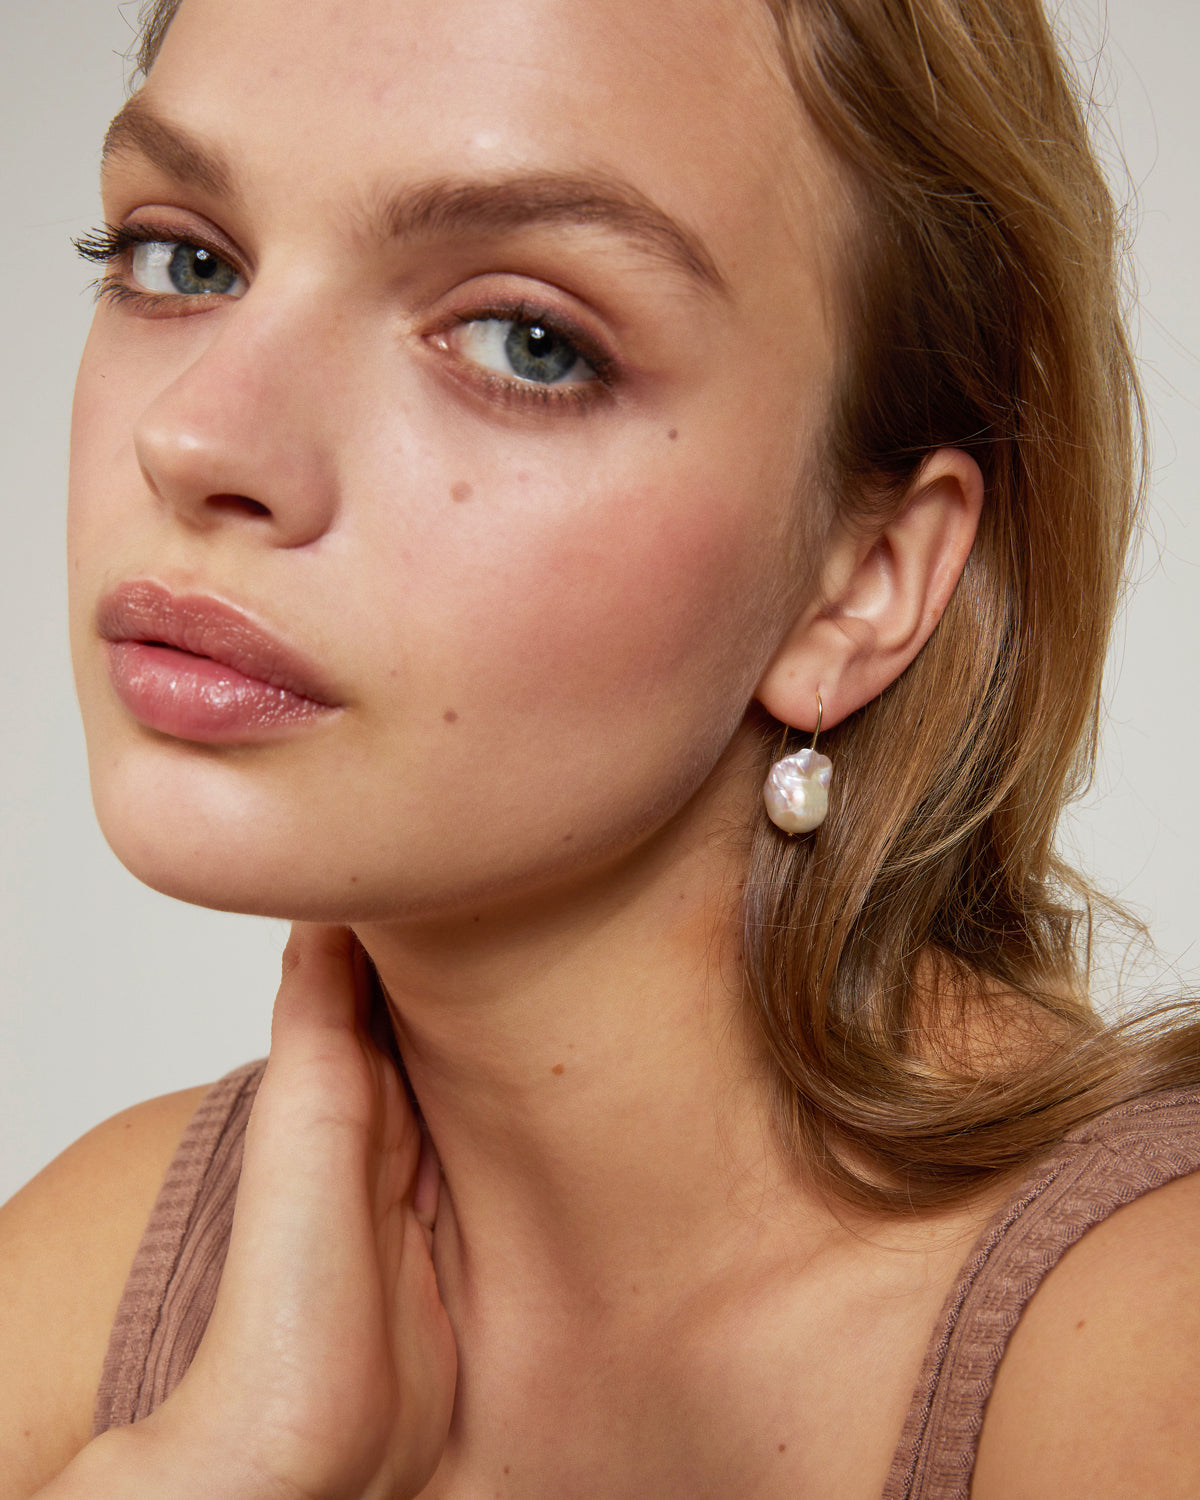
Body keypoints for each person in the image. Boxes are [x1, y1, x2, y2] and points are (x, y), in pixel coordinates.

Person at [2, 0, 1199, 1495]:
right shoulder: (94, 1289)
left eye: (527, 340)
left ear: (865, 579)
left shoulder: (1147, 1360)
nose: (196, 440)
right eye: (183, 260)